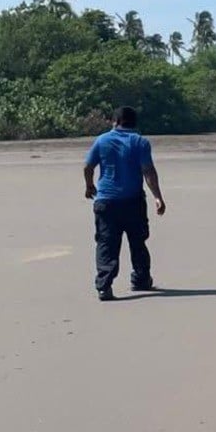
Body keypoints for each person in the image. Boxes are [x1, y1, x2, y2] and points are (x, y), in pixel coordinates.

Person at [83, 106, 166, 302]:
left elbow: (88, 166)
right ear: (134, 123)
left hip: (106, 201)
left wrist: (89, 186)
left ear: (115, 121)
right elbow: (148, 172)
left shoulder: (102, 140)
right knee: (138, 242)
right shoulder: (140, 142)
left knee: (106, 244)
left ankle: (104, 286)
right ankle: (141, 279)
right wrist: (158, 197)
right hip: (133, 201)